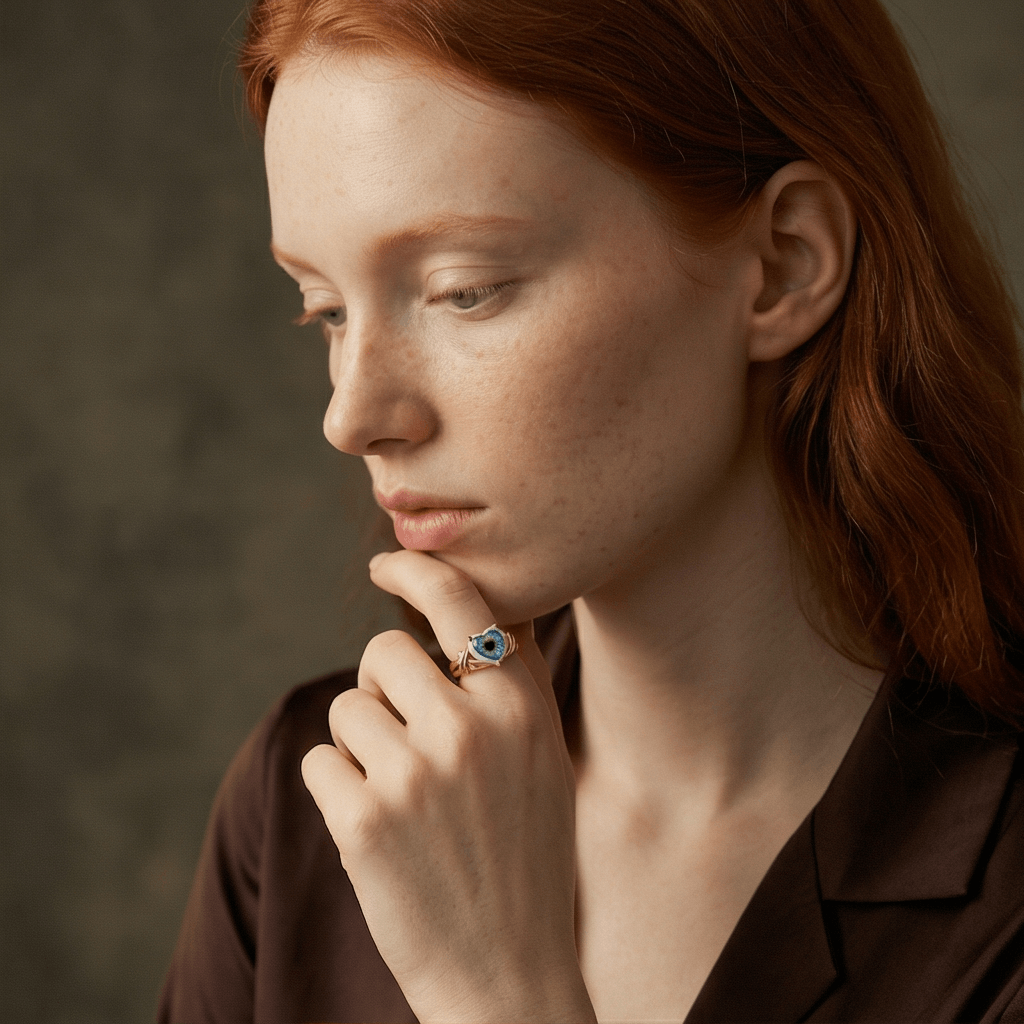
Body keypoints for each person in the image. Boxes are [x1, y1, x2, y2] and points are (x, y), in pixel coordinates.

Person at [159, 0, 1024, 1021]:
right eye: (327, 309)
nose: (351, 415)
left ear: (784, 261)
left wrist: (500, 994)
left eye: (463, 289)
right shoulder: (309, 801)